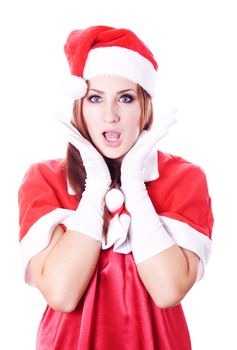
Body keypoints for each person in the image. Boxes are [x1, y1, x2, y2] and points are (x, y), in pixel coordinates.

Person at [18, 25, 213, 350]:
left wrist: (135, 185)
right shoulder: (44, 179)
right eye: (95, 98)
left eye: (125, 98)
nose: (110, 116)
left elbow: (168, 291)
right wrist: (96, 187)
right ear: (79, 106)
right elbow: (62, 295)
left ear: (144, 107)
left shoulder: (185, 178)